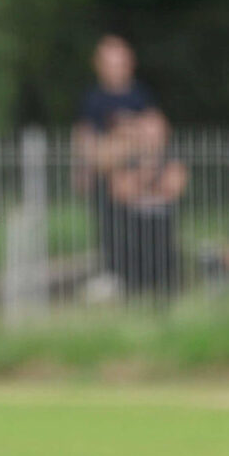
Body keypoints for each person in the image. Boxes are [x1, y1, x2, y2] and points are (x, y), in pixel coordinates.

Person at [72, 35, 165, 285]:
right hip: (106, 178)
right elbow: (86, 141)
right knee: (111, 232)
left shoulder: (140, 95)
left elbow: (156, 132)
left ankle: (145, 275)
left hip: (138, 173)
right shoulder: (92, 99)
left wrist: (128, 144)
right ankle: (116, 275)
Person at [104, 109, 187, 296]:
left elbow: (174, 187)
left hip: (164, 243)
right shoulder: (126, 161)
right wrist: (151, 178)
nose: (151, 139)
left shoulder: (173, 159)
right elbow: (120, 191)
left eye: (156, 134)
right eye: (147, 134)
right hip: (132, 242)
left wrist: (139, 182)